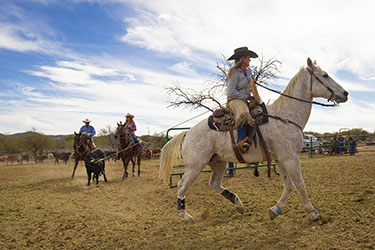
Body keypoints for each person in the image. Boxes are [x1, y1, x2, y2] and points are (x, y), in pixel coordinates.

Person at [226, 46, 258, 153]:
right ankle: (241, 141)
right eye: (248, 57)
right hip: (234, 99)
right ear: (243, 59)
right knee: (244, 113)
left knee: (260, 110)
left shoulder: (248, 71)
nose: (249, 60)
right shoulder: (234, 73)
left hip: (245, 98)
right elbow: (230, 91)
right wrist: (245, 96)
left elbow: (249, 86)